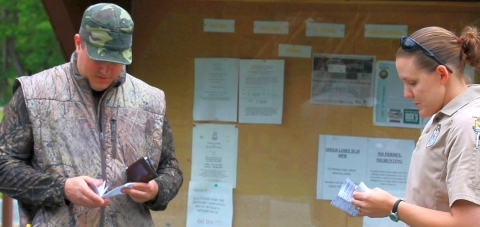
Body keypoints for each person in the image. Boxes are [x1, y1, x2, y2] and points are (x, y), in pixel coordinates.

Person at [0, 3, 183, 226]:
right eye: (99, 58)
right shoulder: (35, 93)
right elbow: (3, 166)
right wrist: (62, 188)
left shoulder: (150, 101)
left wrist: (156, 189)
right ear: (79, 43)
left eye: (116, 61)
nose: (106, 70)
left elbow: (171, 169)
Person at [351, 25, 480, 226]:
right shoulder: (445, 117)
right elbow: (437, 204)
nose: (406, 93)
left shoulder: (467, 124)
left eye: (412, 82)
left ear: (442, 75)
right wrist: (387, 205)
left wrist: (394, 206)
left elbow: (468, 223)